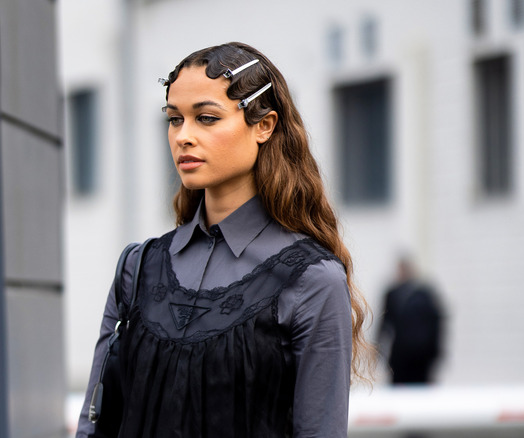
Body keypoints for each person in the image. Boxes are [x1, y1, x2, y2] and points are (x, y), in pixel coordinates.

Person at [77, 42, 372, 438]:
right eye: (174, 119)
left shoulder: (312, 280)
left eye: (207, 118)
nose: (184, 136)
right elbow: (93, 423)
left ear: (264, 125)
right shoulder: (138, 266)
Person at [377, 256, 444, 385]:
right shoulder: (424, 294)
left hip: (411, 357)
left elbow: (384, 325)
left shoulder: (421, 294)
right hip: (413, 357)